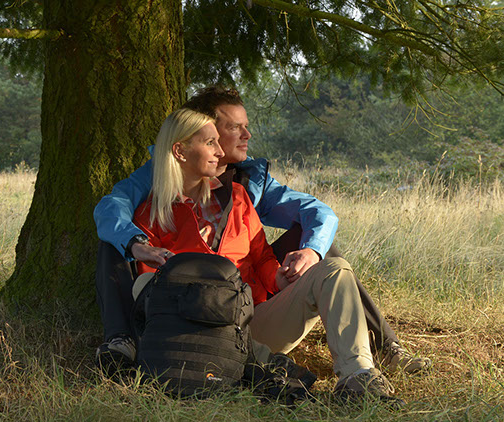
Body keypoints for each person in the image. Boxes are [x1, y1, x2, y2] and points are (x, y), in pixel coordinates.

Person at [94, 86, 430, 376]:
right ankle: (121, 340)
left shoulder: (247, 184)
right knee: (115, 242)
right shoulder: (151, 192)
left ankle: (373, 359)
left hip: (250, 311)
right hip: (191, 325)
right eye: (233, 128)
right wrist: (135, 242)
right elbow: (112, 211)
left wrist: (293, 266)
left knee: (325, 251)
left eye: (246, 126)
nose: (246, 135)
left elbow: (307, 221)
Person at [127, 108, 398, 401]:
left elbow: (261, 258)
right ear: (179, 151)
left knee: (335, 268)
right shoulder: (149, 216)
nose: (220, 152)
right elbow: (155, 301)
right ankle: (262, 365)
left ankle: (358, 377)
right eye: (210, 143)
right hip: (197, 338)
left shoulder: (238, 198)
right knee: (145, 284)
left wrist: (279, 278)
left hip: (254, 324)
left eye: (218, 142)